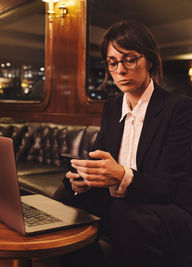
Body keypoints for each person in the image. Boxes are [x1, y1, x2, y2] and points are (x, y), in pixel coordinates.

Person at [62, 20, 192, 267]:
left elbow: (171, 186)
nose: (120, 70)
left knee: (124, 212)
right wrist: (87, 179)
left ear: (149, 61)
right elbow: (102, 162)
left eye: (129, 59)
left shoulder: (179, 109)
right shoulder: (112, 108)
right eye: (113, 62)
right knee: (69, 195)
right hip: (123, 201)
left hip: (168, 205)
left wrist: (122, 175)